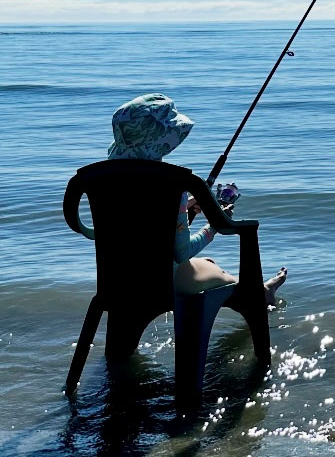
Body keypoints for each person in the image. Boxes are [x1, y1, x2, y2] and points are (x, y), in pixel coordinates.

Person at [102, 93, 287, 306]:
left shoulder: (106, 177)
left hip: (117, 278)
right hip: (160, 282)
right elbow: (181, 253)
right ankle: (262, 293)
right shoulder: (171, 184)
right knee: (223, 276)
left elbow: (140, 225)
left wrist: (184, 208)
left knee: (207, 264)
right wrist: (214, 227)